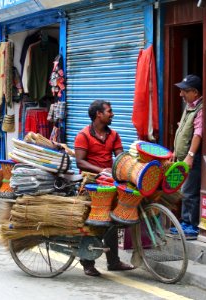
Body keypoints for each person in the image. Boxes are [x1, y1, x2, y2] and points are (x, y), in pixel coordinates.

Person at [74, 100, 134, 276]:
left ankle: (113, 261)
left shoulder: (113, 135)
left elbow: (121, 157)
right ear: (99, 114)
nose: (112, 114)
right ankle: (87, 262)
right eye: (109, 111)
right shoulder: (83, 135)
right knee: (95, 222)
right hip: (90, 184)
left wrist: (130, 168)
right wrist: (102, 170)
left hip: (109, 184)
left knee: (113, 222)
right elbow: (80, 162)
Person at [169, 74, 203, 238]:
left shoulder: (201, 109)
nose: (180, 94)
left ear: (195, 92)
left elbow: (198, 134)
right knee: (183, 191)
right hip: (182, 158)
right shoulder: (190, 106)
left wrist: (190, 155)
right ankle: (185, 222)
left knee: (189, 192)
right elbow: (183, 129)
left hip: (192, 159)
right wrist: (176, 152)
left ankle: (192, 225)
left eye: (184, 91)